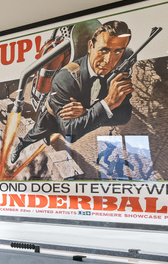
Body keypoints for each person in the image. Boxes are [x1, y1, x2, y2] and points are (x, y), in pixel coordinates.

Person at [9, 20, 134, 164]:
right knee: (35, 134)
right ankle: (19, 147)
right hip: (52, 116)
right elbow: (70, 132)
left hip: (78, 114)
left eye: (117, 51)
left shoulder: (118, 70)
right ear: (90, 46)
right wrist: (108, 104)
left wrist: (87, 112)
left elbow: (124, 115)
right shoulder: (66, 77)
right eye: (103, 50)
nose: (108, 60)